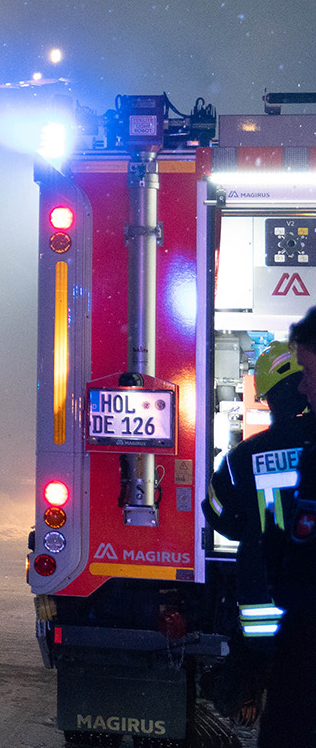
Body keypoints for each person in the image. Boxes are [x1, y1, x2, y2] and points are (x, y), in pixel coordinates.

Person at [201, 342, 312, 724]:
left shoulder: (241, 457)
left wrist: (246, 530)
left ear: (268, 398)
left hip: (262, 600)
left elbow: (216, 511)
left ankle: (245, 694)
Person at [258, 306, 316, 747]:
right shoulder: (308, 450)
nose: (303, 386)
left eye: (310, 374)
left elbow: (219, 512)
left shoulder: (251, 454)